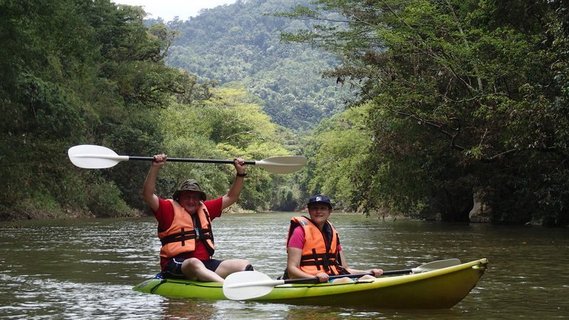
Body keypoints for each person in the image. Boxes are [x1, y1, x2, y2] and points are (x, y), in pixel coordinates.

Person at [143, 153, 252, 283]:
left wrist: (240, 173)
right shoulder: (167, 209)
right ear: (179, 198)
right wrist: (155, 167)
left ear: (200, 200)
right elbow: (147, 195)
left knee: (243, 265)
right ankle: (227, 287)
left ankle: (262, 286)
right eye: (187, 197)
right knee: (194, 263)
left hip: (205, 264)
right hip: (176, 264)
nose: (191, 201)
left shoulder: (205, 209)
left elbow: (232, 197)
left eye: (195, 197)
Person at [284, 194, 383, 283]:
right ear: (309, 211)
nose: (318, 211)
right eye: (315, 208)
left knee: (368, 278)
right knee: (345, 281)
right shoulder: (299, 232)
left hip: (332, 278)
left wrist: (368, 272)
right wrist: (314, 276)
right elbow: (292, 270)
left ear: (329, 211)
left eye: (323, 208)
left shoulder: (332, 233)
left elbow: (345, 268)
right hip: (309, 280)